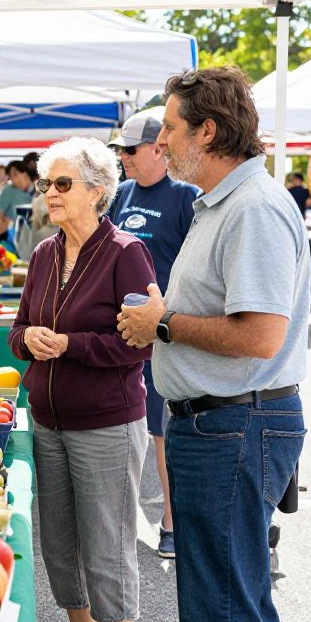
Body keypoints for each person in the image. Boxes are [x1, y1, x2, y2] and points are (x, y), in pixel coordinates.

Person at [118, 67, 309, 622]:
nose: (162, 142)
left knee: (222, 619)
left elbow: (260, 334)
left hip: (233, 426)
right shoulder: (224, 203)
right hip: (223, 424)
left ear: (209, 129)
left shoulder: (252, 208)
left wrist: (163, 321)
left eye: (170, 128)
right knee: (239, 610)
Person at [9, 137, 155, 622]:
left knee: (109, 546)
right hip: (48, 419)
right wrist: (29, 339)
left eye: (63, 184)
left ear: (98, 190)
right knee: (60, 546)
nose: (51, 193)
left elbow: (135, 346)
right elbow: (17, 330)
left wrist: (68, 344)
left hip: (106, 424)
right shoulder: (45, 253)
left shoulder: (127, 253)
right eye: (48, 183)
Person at [107, 107, 200, 560]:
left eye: (129, 149)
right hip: (123, 334)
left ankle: (171, 520)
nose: (122, 157)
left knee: (162, 432)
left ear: (157, 149)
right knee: (125, 427)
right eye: (120, 150)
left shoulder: (186, 196)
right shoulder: (121, 193)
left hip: (163, 335)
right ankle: (122, 520)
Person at [0, 158, 35, 243]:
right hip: (9, 241)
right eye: (11, 178)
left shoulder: (38, 192)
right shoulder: (10, 190)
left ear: (25, 173)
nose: (13, 181)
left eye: (14, 175)